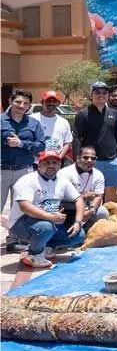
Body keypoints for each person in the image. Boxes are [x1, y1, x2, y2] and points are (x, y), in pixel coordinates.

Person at [9, 150, 84, 268]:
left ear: (59, 165)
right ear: (39, 164)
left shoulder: (62, 180)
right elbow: (25, 207)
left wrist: (78, 222)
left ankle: (46, 247)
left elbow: (79, 199)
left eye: (55, 162)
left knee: (78, 235)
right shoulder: (27, 180)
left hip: (50, 222)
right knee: (45, 227)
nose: (51, 165)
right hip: (22, 223)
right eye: (46, 162)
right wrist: (51, 217)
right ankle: (33, 254)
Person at [73, 82, 117, 203]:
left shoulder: (113, 113)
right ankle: (91, 216)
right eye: (97, 92)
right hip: (90, 161)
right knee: (92, 192)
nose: (101, 95)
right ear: (91, 95)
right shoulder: (82, 114)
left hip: (111, 160)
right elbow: (76, 137)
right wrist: (77, 157)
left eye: (104, 92)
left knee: (111, 191)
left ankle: (109, 217)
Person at [2, 89, 45, 217]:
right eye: (18, 102)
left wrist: (21, 143)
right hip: (1, 171)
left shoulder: (34, 123)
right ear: (10, 101)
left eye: (26, 103)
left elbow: (41, 146)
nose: (21, 106)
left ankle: (14, 237)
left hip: (24, 171)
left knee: (20, 211)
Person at [57, 145, 109, 231]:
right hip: (68, 208)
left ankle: (87, 232)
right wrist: (83, 197)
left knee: (102, 212)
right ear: (78, 158)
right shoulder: (64, 173)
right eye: (85, 157)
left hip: (88, 207)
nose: (89, 160)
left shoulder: (99, 174)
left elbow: (99, 196)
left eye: (93, 158)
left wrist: (91, 211)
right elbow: (60, 198)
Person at [31, 91, 72, 162]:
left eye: (54, 101)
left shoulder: (64, 122)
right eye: (48, 101)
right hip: (35, 162)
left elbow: (67, 143)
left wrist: (58, 158)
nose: (51, 103)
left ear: (58, 103)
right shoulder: (32, 119)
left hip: (55, 164)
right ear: (42, 102)